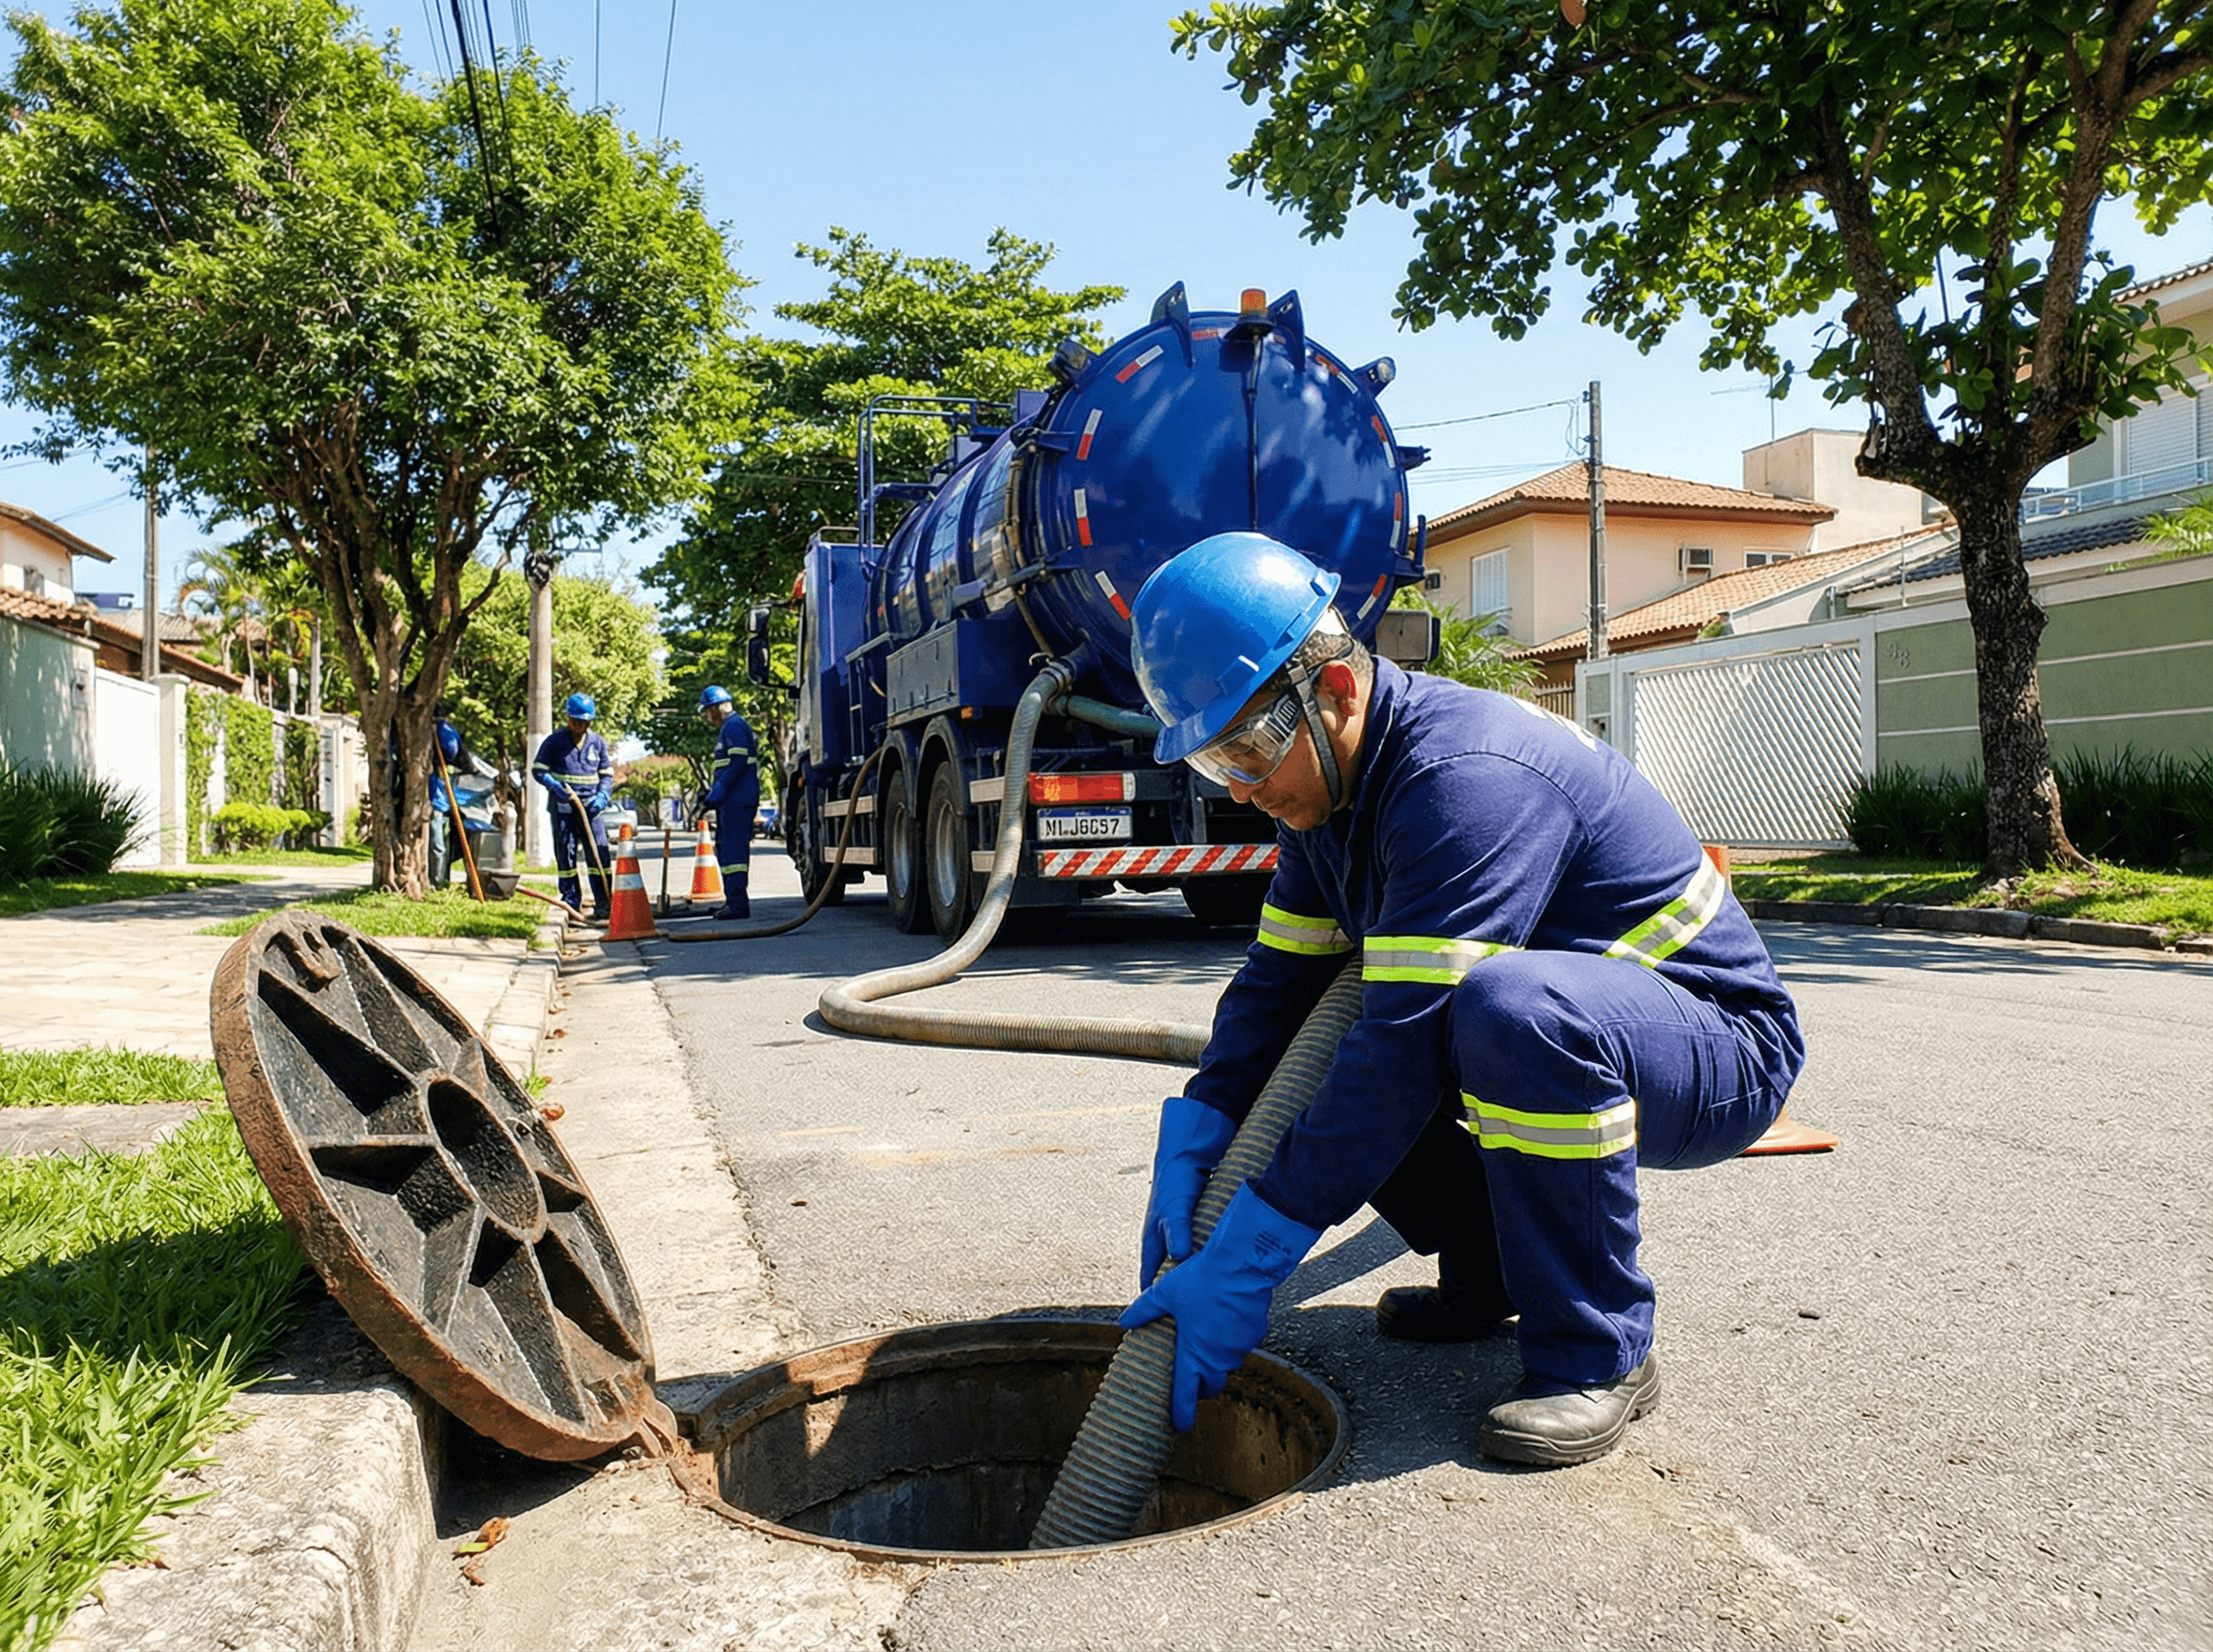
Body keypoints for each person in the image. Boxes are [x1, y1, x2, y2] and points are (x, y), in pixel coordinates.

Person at [1118, 533, 1805, 1467]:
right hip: (1584, 1023)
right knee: (1355, 1036)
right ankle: (1494, 1271)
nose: (1241, 789)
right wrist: (1201, 1129)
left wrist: (1248, 1260)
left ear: (1337, 691)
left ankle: (1599, 1350)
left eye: (1248, 747)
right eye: (1214, 763)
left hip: (1714, 1038)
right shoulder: (1326, 798)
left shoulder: (1462, 778)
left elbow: (1401, 1051)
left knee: (1504, 1013)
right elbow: (1275, 993)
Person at [532, 692, 614, 921]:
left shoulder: (597, 743)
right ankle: (571, 901)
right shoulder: (554, 742)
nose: (579, 726)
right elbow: (538, 770)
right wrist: (553, 786)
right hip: (564, 808)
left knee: (599, 854)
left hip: (591, 809)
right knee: (566, 855)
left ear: (590, 722)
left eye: (583, 722)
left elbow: (606, 773)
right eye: (575, 721)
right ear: (568, 718)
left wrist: (603, 795)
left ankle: (604, 902)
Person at [694, 684, 759, 921]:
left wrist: (719, 791)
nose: (708, 717)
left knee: (734, 852)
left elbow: (738, 763)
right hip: (732, 801)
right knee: (727, 849)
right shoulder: (730, 728)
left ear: (716, 708)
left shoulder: (733, 726)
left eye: (708, 712)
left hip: (737, 800)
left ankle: (738, 904)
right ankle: (732, 900)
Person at [426, 714, 465, 888]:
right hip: (438, 801)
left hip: (438, 801)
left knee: (438, 845)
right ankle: (436, 879)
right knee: (439, 845)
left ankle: (438, 882)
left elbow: (451, 750)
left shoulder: (442, 731)